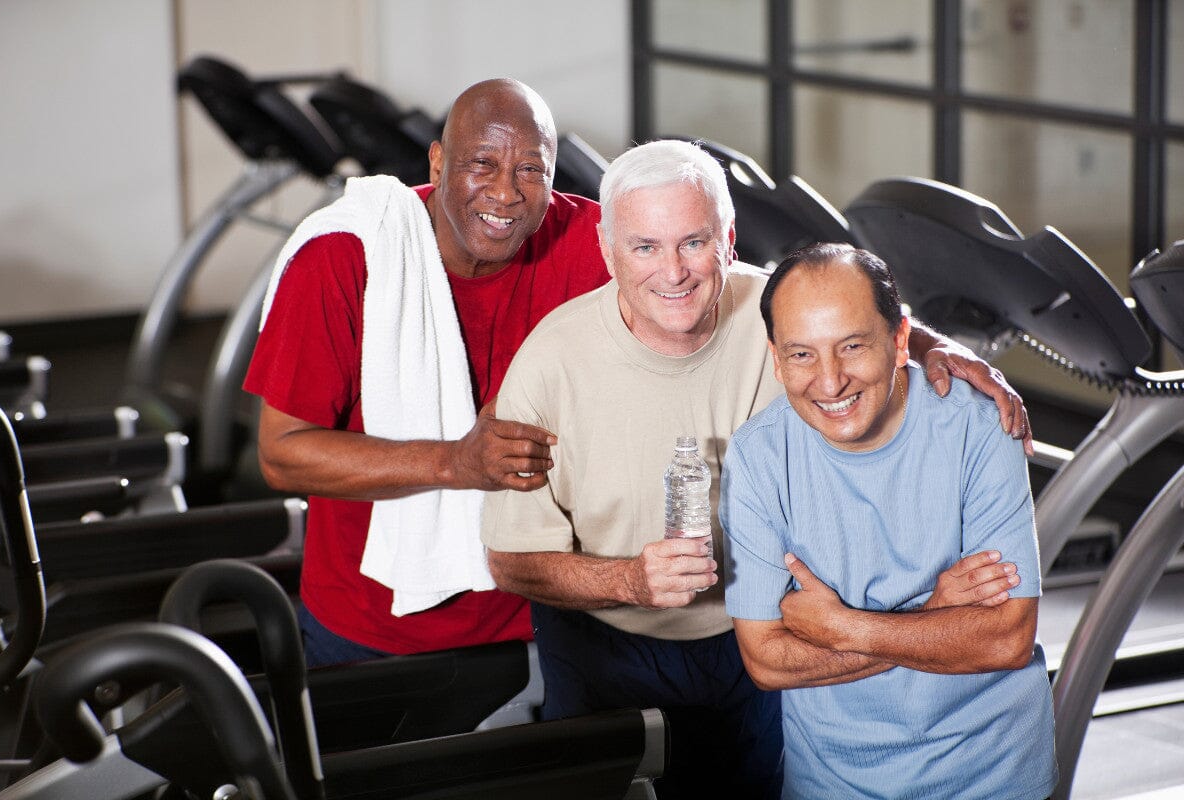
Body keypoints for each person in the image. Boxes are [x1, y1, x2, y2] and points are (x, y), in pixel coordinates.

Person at [481, 141, 1033, 799]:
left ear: (729, 240)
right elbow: (511, 560)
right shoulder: (549, 363)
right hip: (610, 643)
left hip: (766, 626)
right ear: (606, 251)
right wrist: (627, 578)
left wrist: (951, 353)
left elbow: (864, 323)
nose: (674, 272)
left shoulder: (780, 315)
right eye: (645, 247)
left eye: (693, 242)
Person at [244, 77, 612, 665]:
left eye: (530, 171)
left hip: (542, 618)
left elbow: (711, 277)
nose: (506, 193)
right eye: (482, 164)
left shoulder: (594, 244)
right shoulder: (346, 255)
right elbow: (281, 453)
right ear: (437, 164)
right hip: (371, 626)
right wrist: (458, 462)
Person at [722, 242, 1056, 799]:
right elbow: (767, 661)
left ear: (901, 340)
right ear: (776, 359)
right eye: (801, 355)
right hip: (833, 784)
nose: (830, 383)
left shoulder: (979, 424)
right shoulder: (757, 457)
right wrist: (935, 613)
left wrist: (840, 626)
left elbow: (1005, 639)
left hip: (993, 776)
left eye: (852, 347)